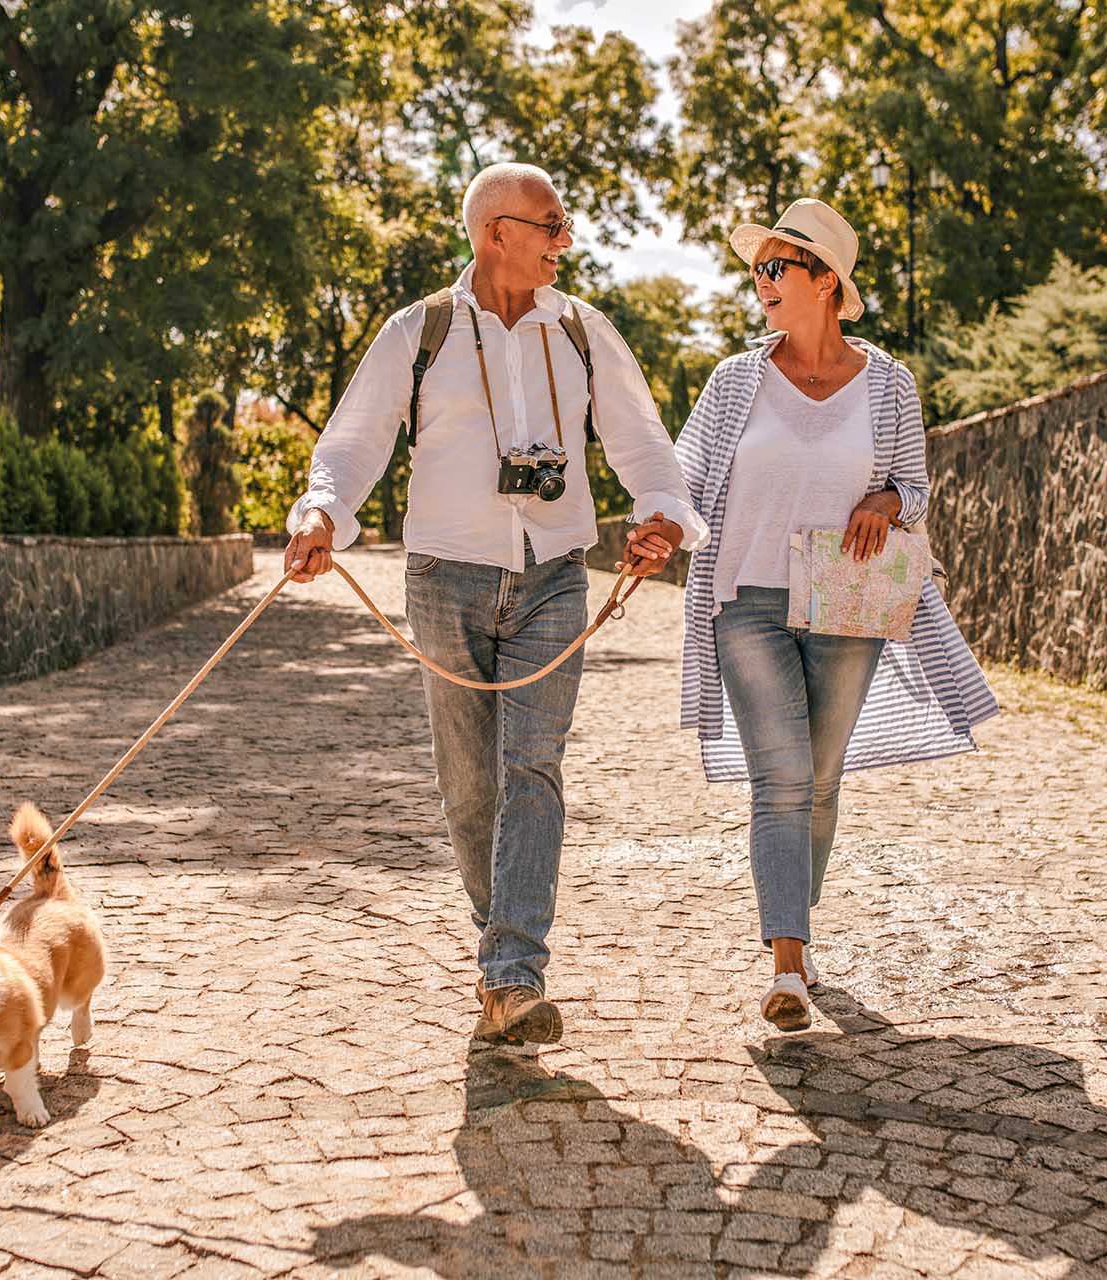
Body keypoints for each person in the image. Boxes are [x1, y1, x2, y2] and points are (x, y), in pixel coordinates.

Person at [284, 162, 708, 1047]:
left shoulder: (586, 332)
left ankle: (515, 972)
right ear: (496, 233)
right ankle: (499, 950)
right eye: (550, 225)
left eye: (562, 224)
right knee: (471, 789)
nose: (564, 241)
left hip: (556, 572)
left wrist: (662, 517)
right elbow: (355, 438)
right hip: (446, 576)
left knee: (533, 768)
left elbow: (641, 440)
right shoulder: (423, 331)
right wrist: (322, 511)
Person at [673, 198, 998, 1032]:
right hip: (746, 597)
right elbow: (683, 470)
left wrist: (890, 497)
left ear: (827, 282)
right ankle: (786, 964)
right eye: (758, 269)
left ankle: (797, 929)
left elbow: (918, 490)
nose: (762, 283)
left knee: (817, 780)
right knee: (781, 780)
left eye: (777, 268)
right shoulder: (734, 379)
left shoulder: (889, 383)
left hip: (848, 598)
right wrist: (653, 525)